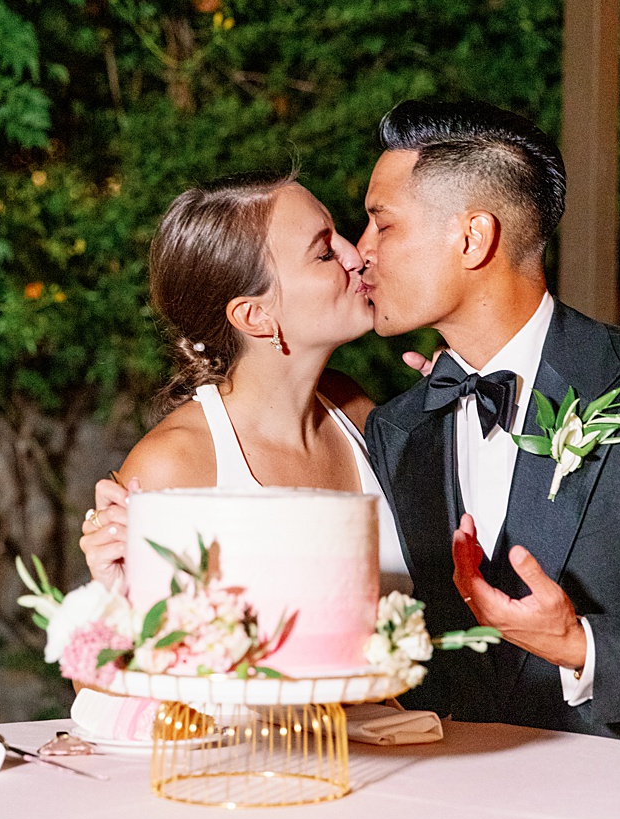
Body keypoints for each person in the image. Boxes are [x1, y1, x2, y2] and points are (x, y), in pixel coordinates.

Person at [359, 98, 620, 782]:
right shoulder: (398, 428)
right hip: (460, 813)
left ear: (473, 238)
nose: (362, 251)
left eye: (382, 225)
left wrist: (583, 644)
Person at [81, 172, 411, 595]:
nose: (356, 256)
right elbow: (145, 651)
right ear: (254, 316)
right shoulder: (172, 467)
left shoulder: (355, 411)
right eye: (325, 252)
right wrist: (117, 595)